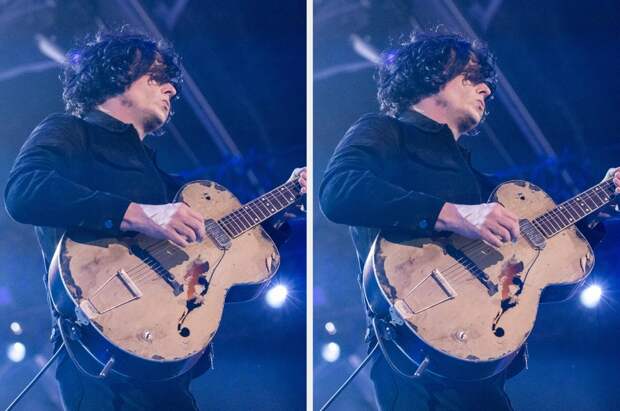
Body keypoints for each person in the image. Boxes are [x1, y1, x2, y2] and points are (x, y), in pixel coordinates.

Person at [4, 30, 306, 410]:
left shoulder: (165, 181)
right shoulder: (70, 131)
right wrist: (138, 214)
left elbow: (218, 253)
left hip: (165, 359)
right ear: (117, 75)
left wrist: (285, 203)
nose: (172, 89)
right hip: (98, 359)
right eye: (157, 77)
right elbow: (24, 191)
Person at [319, 31, 619, 411]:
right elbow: (338, 191)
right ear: (432, 75)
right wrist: (454, 214)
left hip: (479, 361)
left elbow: (536, 254)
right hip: (411, 360)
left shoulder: (481, 182)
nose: (486, 90)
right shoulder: (385, 131)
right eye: (471, 76)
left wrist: (601, 201)